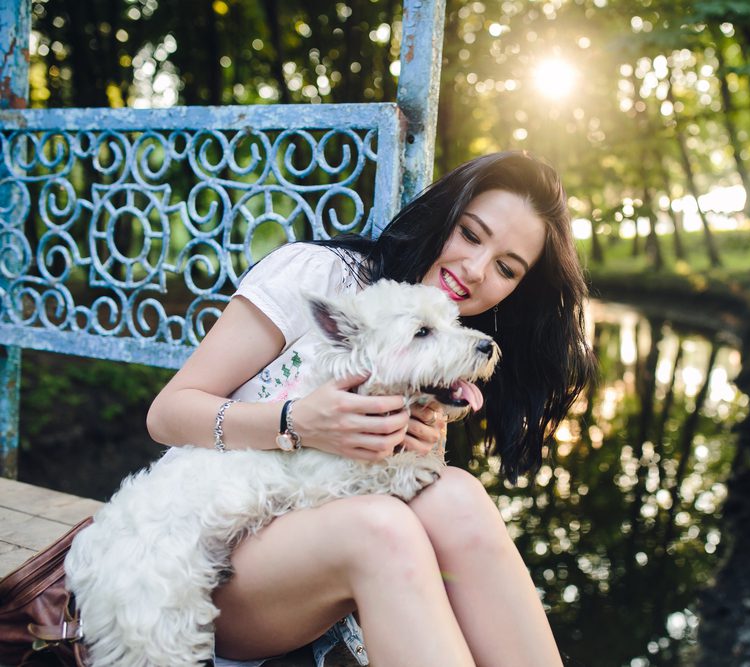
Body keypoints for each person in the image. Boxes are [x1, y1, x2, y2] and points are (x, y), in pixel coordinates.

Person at [145, 151, 597, 667]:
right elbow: (166, 415)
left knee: (458, 496)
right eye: (470, 234)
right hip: (214, 572)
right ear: (443, 215)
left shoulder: (447, 358)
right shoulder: (320, 276)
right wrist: (296, 422)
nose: (474, 271)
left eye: (505, 268)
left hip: (333, 584)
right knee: (380, 528)